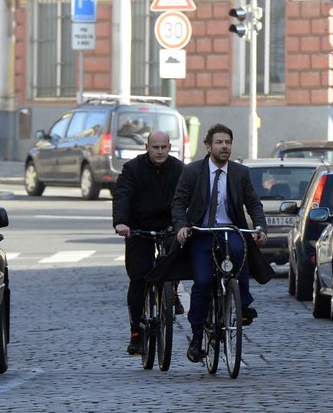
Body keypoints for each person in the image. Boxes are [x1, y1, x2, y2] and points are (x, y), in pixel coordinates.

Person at [171, 123, 271, 363]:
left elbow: (254, 203)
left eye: (228, 142)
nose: (224, 146)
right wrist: (182, 226)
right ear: (208, 146)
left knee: (240, 252)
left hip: (230, 229)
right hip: (202, 232)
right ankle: (196, 337)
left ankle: (242, 302)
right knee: (203, 282)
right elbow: (178, 203)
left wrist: (260, 227)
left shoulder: (240, 173)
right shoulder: (193, 171)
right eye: (219, 142)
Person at [113, 130, 185, 355]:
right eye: (156, 147)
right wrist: (122, 222)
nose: (160, 151)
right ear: (147, 147)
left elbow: (188, 197)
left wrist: (187, 223)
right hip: (139, 228)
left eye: (164, 147)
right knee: (138, 279)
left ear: (169, 147)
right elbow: (122, 194)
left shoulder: (179, 169)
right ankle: (136, 332)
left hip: (168, 225)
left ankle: (171, 288)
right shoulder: (132, 169)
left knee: (179, 251)